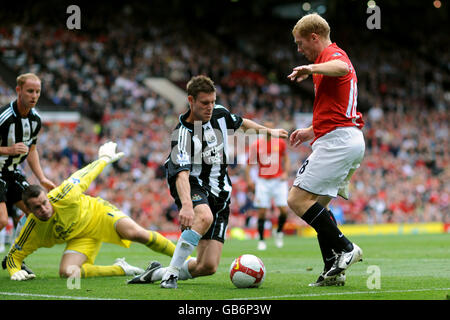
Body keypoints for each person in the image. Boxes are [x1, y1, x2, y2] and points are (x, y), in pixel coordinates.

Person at [128, 75, 288, 288]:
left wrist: (269, 132)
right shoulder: (182, 134)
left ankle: (156, 273)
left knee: (207, 266)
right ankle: (171, 276)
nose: (210, 107)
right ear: (191, 100)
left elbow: (240, 123)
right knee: (203, 216)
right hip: (193, 185)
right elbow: (181, 174)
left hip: (221, 191)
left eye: (213, 101)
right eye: (205, 103)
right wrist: (186, 205)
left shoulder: (219, 114)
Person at [4, 141, 177, 281]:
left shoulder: (64, 195)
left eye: (44, 202)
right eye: (37, 207)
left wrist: (104, 159)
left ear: (47, 197)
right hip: (80, 238)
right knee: (68, 272)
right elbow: (13, 257)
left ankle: (182, 260)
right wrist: (14, 271)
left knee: (137, 234)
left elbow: (87, 173)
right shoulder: (32, 229)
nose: (44, 208)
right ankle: (121, 269)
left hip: (98, 215)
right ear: (29, 210)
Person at [286, 13, 365, 287]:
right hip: (345, 137)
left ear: (314, 37)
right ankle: (333, 268)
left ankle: (346, 248)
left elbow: (343, 68)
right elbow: (336, 108)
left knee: (297, 200)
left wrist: (311, 68)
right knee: (319, 206)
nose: (299, 49)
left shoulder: (333, 55)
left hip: (338, 142)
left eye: (300, 43)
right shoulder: (325, 61)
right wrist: (311, 129)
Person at [0, 73, 56, 274]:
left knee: (36, 213)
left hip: (12, 173)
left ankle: (14, 258)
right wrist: (8, 150)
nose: (34, 95)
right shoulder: (4, 116)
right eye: (30, 91)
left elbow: (32, 150)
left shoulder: (35, 120)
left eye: (38, 92)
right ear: (18, 91)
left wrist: (41, 178)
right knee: (1, 220)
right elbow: (15, 149)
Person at [245, 121, 290, 250]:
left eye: (271, 128)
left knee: (283, 210)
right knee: (262, 212)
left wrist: (286, 173)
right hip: (263, 182)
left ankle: (279, 232)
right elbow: (249, 165)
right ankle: (261, 239)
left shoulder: (280, 143)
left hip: (278, 181)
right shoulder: (256, 145)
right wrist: (249, 180)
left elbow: (286, 159)